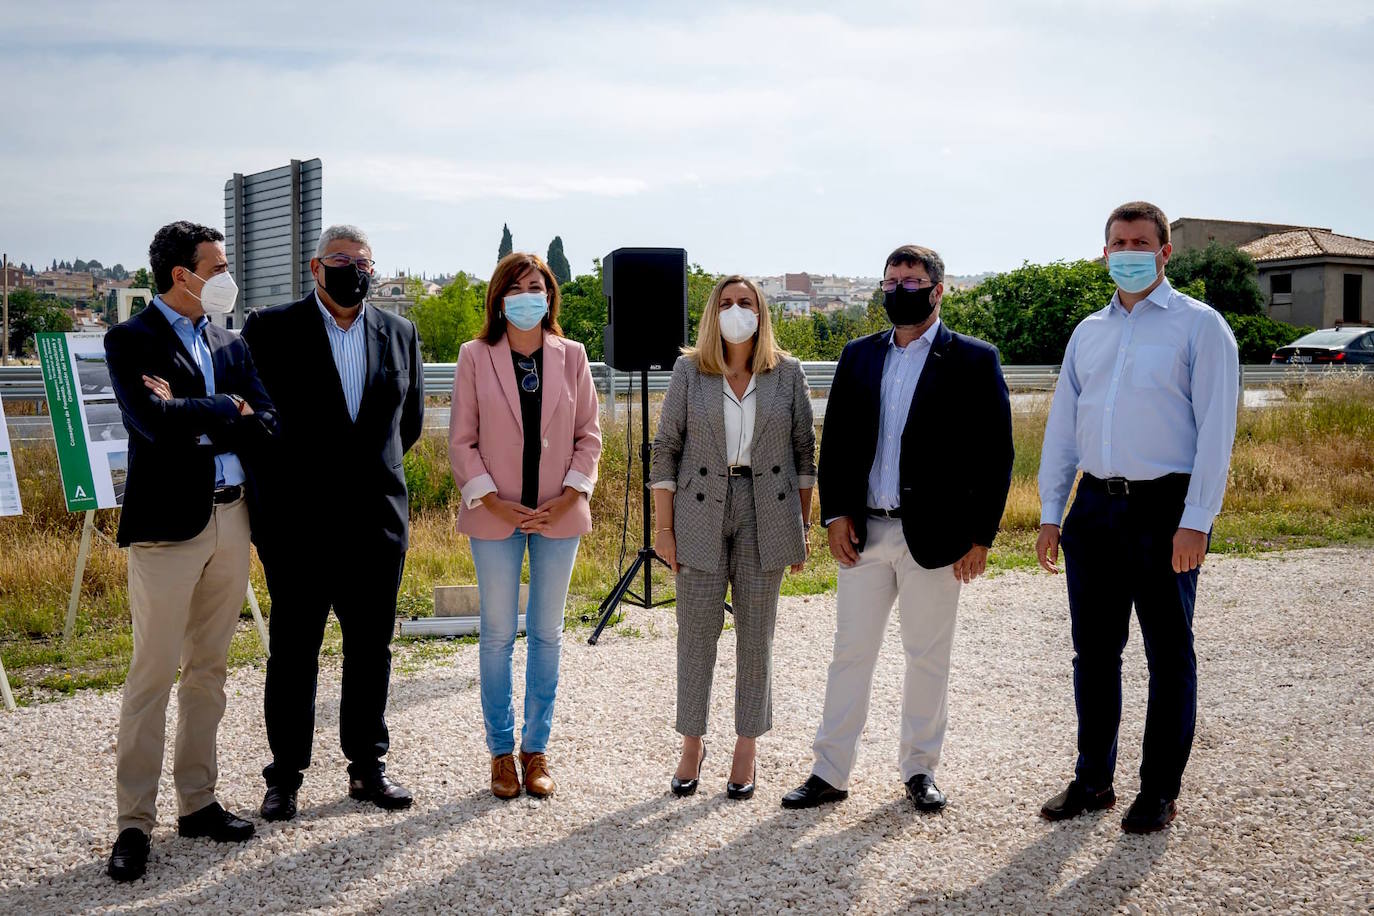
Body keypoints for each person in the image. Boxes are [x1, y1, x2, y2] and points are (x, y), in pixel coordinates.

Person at [782, 245, 1013, 812]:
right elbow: (834, 444)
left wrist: (981, 537)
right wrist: (835, 515)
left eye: (911, 282)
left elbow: (995, 455)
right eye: (891, 282)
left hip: (936, 537)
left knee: (927, 655)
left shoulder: (974, 359)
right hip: (864, 533)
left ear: (938, 290)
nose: (899, 291)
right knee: (849, 653)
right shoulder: (858, 356)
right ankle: (830, 772)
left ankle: (919, 770)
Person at [1036, 201, 1239, 834]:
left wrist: (1197, 518)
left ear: (1164, 252)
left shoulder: (1200, 327)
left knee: (1169, 654)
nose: (1128, 251)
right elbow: (1064, 428)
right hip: (1094, 507)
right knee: (1093, 653)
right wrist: (1051, 510)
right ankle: (1093, 779)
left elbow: (1216, 432)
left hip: (1165, 508)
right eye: (1118, 242)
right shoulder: (1087, 332)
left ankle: (1158, 790)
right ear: (1104, 252)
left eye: (1141, 242)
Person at [103, 220, 279, 881]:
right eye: (218, 265)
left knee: (208, 672)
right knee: (151, 677)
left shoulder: (230, 340)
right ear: (183, 275)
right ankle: (132, 824)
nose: (226, 277)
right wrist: (224, 414)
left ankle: (198, 802)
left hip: (231, 523)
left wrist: (201, 411)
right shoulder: (130, 340)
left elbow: (267, 427)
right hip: (166, 531)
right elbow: (150, 424)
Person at [242, 224, 424, 821]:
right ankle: (285, 776)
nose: (354, 269)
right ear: (316, 268)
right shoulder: (270, 331)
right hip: (297, 528)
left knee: (371, 650)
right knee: (294, 654)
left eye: (363, 260)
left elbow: (409, 426)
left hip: (375, 525)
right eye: (341, 259)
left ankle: (367, 767)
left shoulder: (399, 332)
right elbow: (256, 424)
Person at [651, 276, 815, 801]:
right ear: (712, 313)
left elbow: (804, 453)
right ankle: (691, 743)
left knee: (756, 637)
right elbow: (665, 450)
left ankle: (746, 746)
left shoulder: (786, 373)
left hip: (765, 511)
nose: (736, 310)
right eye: (726, 303)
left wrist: (801, 526)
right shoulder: (688, 370)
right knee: (695, 636)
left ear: (761, 312)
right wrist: (664, 529)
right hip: (699, 512)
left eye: (745, 303)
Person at [448, 252, 601, 799]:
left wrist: (570, 495)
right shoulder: (474, 355)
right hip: (496, 516)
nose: (526, 296)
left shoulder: (574, 355)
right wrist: (491, 500)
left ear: (550, 296)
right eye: (515, 287)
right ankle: (499, 754)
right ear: (499, 298)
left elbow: (590, 436)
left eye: (535, 286)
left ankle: (536, 750)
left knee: (546, 634)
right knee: (496, 636)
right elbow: (462, 440)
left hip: (558, 515)